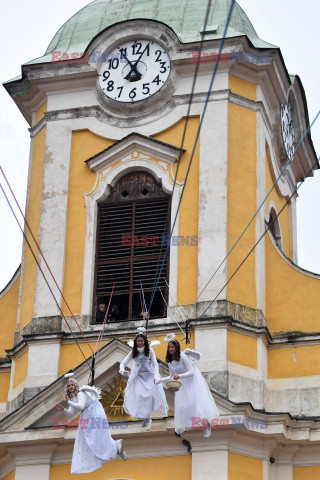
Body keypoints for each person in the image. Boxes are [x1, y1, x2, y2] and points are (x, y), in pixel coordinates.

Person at [56, 377, 127, 474]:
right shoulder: (73, 398)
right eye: (68, 386)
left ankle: (115, 447)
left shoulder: (80, 393)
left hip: (94, 413)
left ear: (75, 385)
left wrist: (68, 402)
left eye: (72, 385)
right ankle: (116, 447)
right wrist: (63, 409)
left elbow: (81, 406)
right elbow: (71, 412)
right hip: (87, 416)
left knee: (97, 436)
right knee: (92, 440)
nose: (70, 387)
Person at [156, 336, 219, 438]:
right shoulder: (170, 362)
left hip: (192, 382)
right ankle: (185, 425)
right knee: (184, 406)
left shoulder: (183, 357)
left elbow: (192, 372)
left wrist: (179, 376)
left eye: (172, 347)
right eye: (169, 347)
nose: (170, 349)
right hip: (182, 385)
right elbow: (171, 376)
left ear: (176, 347)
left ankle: (206, 426)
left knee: (197, 404)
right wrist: (160, 380)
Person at [119, 328, 168, 431]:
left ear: (144, 341)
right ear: (136, 342)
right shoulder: (133, 350)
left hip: (149, 375)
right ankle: (145, 418)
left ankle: (148, 416)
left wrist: (156, 375)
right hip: (138, 376)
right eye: (138, 341)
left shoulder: (150, 350)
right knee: (138, 395)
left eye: (141, 341)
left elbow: (155, 363)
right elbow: (123, 362)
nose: (140, 343)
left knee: (149, 395)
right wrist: (122, 369)